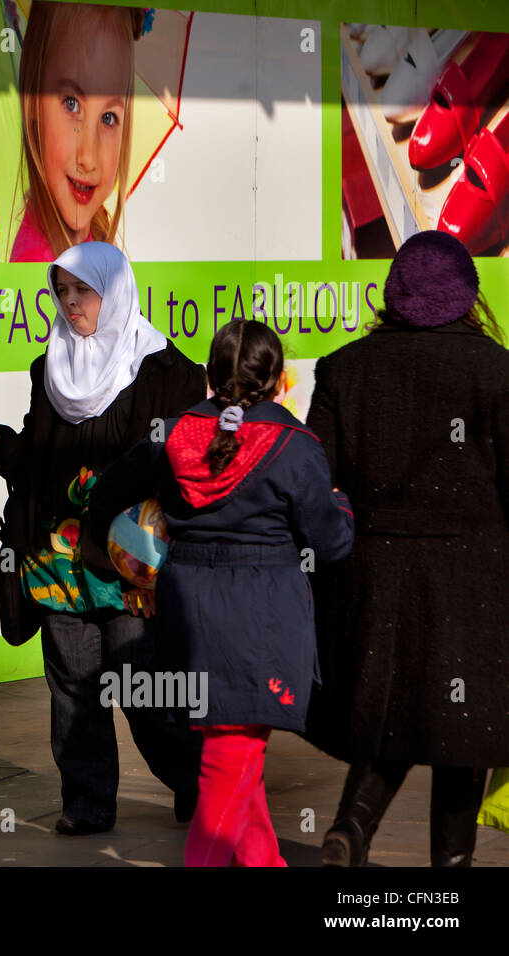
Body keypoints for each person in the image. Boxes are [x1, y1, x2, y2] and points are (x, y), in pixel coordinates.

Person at [83, 320, 355, 866]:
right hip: (263, 615)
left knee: (232, 749)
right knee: (231, 756)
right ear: (279, 380)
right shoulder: (297, 446)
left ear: (208, 376)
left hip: (189, 611)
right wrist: (342, 503)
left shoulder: (171, 433)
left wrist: (123, 553)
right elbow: (332, 544)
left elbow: (110, 488)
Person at [0, 241, 204, 835]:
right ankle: (87, 803)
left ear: (115, 291)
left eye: (84, 292)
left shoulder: (167, 372)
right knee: (73, 685)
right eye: (63, 292)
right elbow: (42, 465)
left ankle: (197, 784)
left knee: (143, 686)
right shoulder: (50, 367)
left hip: (129, 564)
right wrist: (5, 446)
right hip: (61, 564)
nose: (71, 304)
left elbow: (183, 464)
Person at [304, 230, 509, 867]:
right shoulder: (497, 371)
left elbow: (317, 481)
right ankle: (450, 870)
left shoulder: (344, 368)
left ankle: (351, 826)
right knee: (461, 727)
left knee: (390, 710)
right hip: (474, 576)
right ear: (467, 296)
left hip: (375, 572)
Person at [10, 2, 144, 262]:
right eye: (71, 104)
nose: (88, 157)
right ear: (33, 100)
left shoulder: (95, 232)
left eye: (108, 117)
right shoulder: (38, 264)